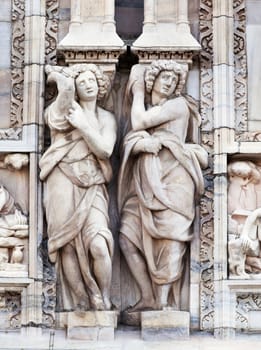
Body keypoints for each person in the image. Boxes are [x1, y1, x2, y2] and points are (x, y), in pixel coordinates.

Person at [118, 60, 208, 311]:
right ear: (153, 80)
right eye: (164, 77)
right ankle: (147, 295)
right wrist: (139, 144)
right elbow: (133, 135)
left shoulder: (178, 105)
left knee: (171, 239)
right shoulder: (153, 109)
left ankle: (163, 302)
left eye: (173, 79)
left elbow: (139, 121)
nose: (169, 82)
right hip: (146, 182)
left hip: (176, 180)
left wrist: (136, 91)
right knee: (126, 237)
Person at [39, 64, 116, 311]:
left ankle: (103, 296)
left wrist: (83, 125)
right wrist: (62, 81)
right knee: (67, 245)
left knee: (98, 243)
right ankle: (81, 299)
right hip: (61, 178)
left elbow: (105, 149)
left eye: (92, 79)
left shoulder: (106, 118)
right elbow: (56, 113)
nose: (88, 84)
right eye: (81, 82)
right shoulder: (61, 111)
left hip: (93, 183)